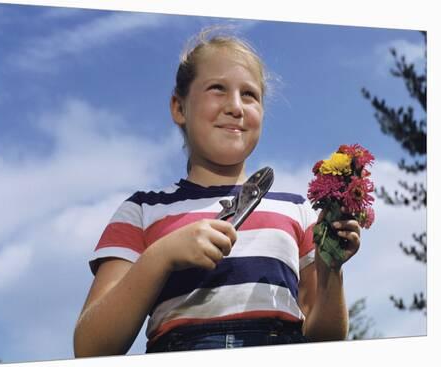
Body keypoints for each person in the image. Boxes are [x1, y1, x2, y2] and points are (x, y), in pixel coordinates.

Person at [73, 27, 361, 357]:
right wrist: (160, 257)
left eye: (249, 95)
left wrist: (330, 271)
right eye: (217, 89)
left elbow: (325, 338)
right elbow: (89, 347)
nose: (235, 107)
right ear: (179, 107)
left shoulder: (298, 210)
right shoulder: (141, 210)